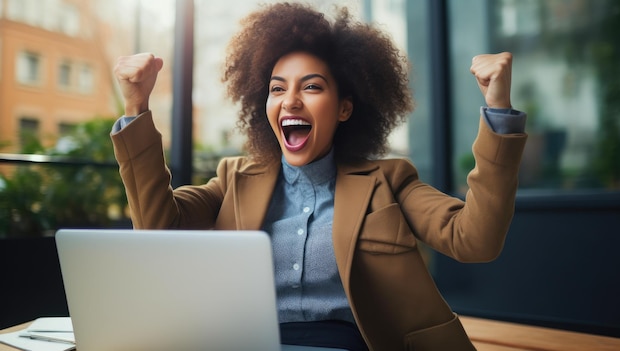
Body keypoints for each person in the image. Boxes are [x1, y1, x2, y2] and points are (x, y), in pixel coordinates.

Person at [110, 2, 527, 351]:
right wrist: (136, 107)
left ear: (344, 108)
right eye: (277, 89)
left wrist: (498, 112)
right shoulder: (233, 179)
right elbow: (157, 225)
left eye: (311, 87)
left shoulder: (390, 180)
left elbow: (474, 240)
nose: (290, 100)